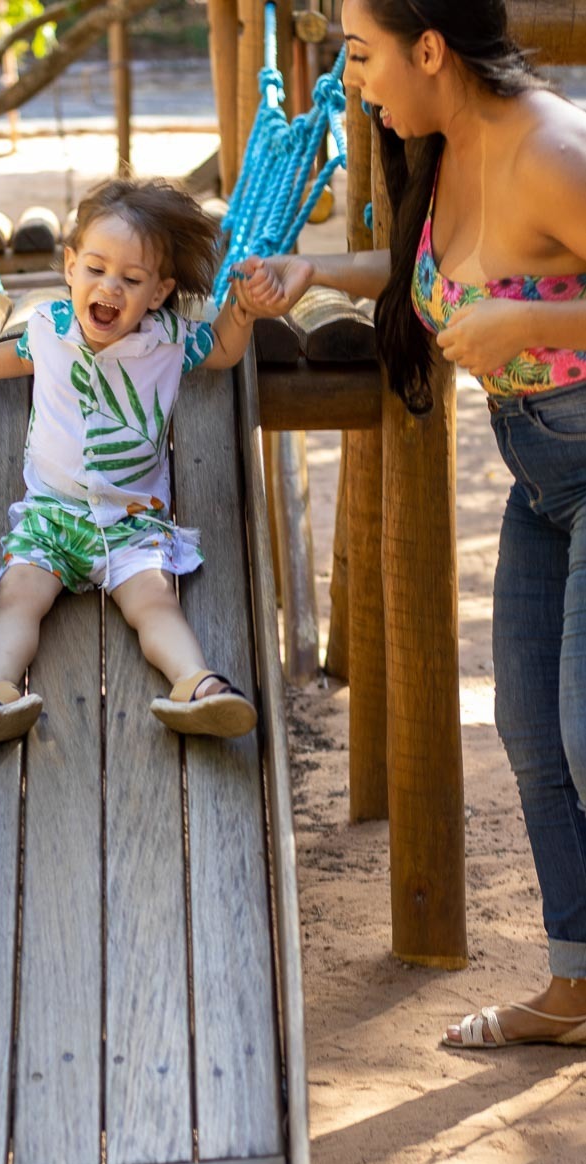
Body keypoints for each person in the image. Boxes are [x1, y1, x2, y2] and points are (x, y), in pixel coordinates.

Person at [235, 0, 586, 1048]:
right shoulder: (447, 145)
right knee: (528, 736)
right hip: (542, 479)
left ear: (427, 49)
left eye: (358, 55)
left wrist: (528, 322)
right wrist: (318, 272)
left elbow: (519, 297)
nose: (352, 82)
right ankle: (574, 990)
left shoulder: (550, 151)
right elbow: (444, 276)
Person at [0, 177, 273, 756]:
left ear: (157, 293)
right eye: (96, 269)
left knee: (153, 600)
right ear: (70, 267)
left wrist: (244, 310)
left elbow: (226, 349)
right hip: (51, 517)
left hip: (132, 521)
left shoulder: (168, 341)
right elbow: (13, 356)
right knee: (18, 595)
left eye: (130, 280)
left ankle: (198, 687)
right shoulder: (52, 330)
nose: (110, 287)